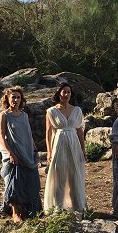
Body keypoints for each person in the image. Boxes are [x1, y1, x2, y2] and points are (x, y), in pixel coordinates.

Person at [0, 86, 42, 222]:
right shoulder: (4, 115)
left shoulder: (24, 115)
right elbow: (1, 136)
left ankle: (29, 210)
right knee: (14, 183)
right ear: (7, 99)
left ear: (21, 99)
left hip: (28, 152)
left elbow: (29, 135)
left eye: (18, 97)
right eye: (13, 97)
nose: (15, 100)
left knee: (30, 183)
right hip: (13, 153)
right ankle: (15, 212)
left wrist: (35, 150)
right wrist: (11, 153)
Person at [43, 83, 87, 212]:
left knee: (75, 174)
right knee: (59, 175)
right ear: (59, 93)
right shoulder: (51, 111)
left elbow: (79, 130)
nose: (67, 94)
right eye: (64, 92)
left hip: (74, 143)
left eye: (69, 92)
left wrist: (83, 149)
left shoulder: (77, 110)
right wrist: (49, 152)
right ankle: (58, 207)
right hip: (59, 143)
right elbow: (49, 132)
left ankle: (78, 206)